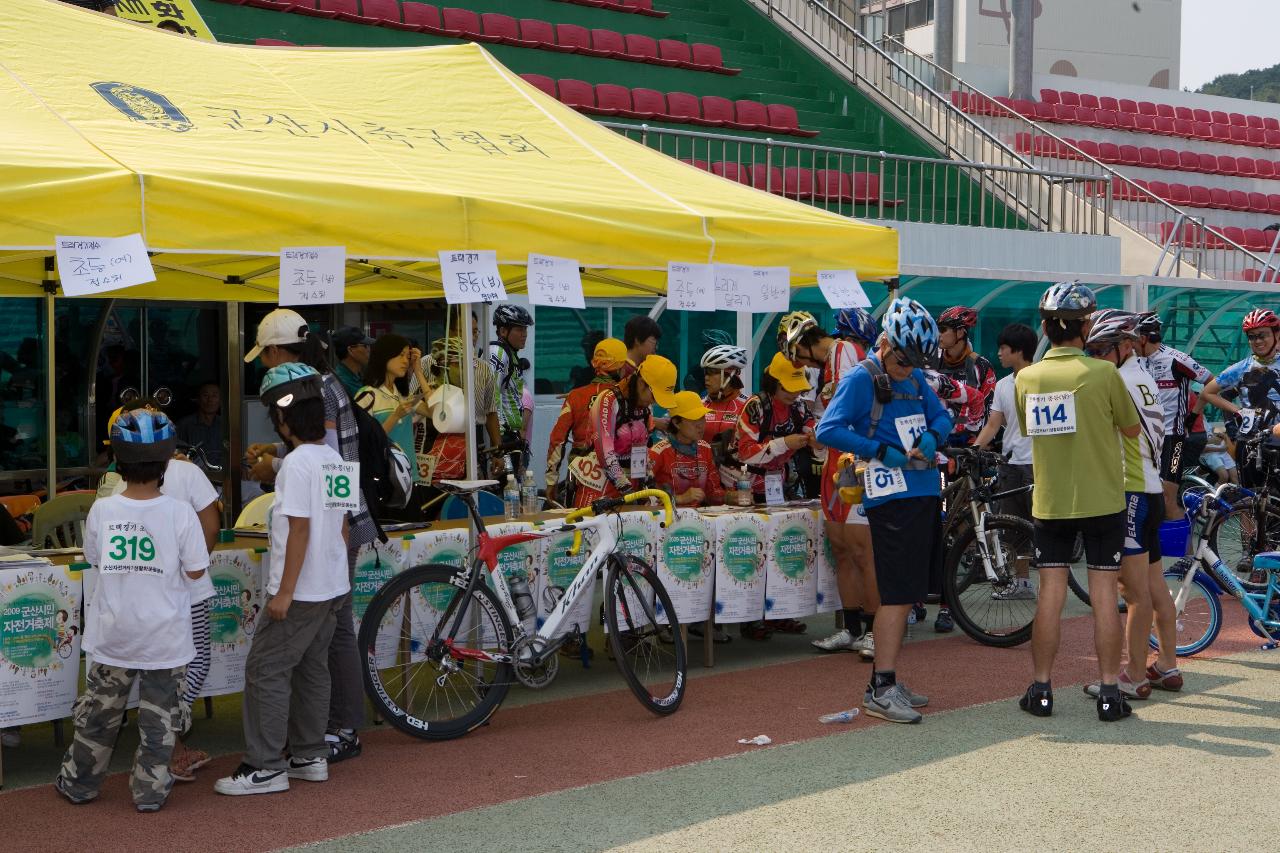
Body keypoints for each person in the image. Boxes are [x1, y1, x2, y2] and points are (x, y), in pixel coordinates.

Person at [241, 307, 377, 764]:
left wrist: (278, 464)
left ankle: (335, 731)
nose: (264, 364)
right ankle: (318, 742)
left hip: (322, 546)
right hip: (337, 537)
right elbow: (329, 460)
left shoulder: (313, 387)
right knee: (325, 646)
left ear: (279, 351)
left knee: (315, 646)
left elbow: (312, 481)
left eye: (266, 355)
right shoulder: (325, 384)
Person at [56, 410, 208, 812]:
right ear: (168, 461)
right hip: (165, 638)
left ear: (118, 462)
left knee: (99, 717)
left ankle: (79, 784)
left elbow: (94, 559)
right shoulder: (180, 513)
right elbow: (195, 570)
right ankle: (150, 792)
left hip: (113, 635)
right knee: (160, 721)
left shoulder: (103, 510)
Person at [816, 297, 952, 724]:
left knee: (910, 592)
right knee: (895, 595)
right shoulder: (861, 378)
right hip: (889, 497)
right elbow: (828, 428)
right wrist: (877, 449)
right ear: (887, 344)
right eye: (903, 361)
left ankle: (889, 677)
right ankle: (881, 686)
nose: (908, 371)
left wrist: (932, 436)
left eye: (915, 364)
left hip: (923, 491)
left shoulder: (913, 377)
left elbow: (942, 416)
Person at [215, 364, 349, 796]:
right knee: (313, 669)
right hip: (332, 586)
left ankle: (265, 765)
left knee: (266, 669)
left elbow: (300, 529)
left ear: (284, 421)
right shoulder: (335, 459)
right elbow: (343, 527)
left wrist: (285, 592)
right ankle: (310, 755)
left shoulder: (294, 466)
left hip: (302, 590)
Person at [1014, 282, 1142, 723]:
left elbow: (1032, 434)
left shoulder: (1025, 378)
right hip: (1104, 499)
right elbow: (1130, 430)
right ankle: (1110, 693)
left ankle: (1042, 689)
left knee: (1049, 596)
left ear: (1047, 329)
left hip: (1050, 502)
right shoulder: (1104, 374)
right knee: (1105, 596)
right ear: (1085, 327)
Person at [103, 405, 221, 781]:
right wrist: (189, 562)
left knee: (142, 671)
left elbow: (98, 551)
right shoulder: (187, 471)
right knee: (195, 662)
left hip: (133, 598)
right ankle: (167, 743)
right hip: (189, 590)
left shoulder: (109, 486)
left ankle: (164, 744)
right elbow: (211, 523)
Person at [1083, 310, 1180, 700]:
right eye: (1090, 349)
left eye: (1100, 349)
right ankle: (1168, 665)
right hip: (1149, 488)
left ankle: (1135, 674)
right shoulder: (1141, 375)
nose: (1094, 357)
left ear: (1125, 346)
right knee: (1155, 587)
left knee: (1133, 592)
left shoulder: (1117, 381)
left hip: (1131, 493)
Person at [784, 312, 879, 659]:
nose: (797, 362)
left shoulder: (842, 349)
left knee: (861, 551)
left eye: (795, 353)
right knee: (841, 548)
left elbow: (852, 404)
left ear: (803, 343)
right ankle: (852, 628)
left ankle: (873, 630)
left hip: (853, 460)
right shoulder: (829, 363)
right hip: (833, 461)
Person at [974, 323, 1039, 600]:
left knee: (1044, 528)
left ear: (1018, 350)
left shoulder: (1043, 379)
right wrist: (973, 450)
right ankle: (1022, 583)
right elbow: (993, 424)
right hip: (1010, 464)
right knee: (1014, 527)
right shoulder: (1003, 385)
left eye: (1003, 348)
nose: (998, 353)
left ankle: (1051, 586)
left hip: (1040, 465)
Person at [1133, 312, 1215, 519]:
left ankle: (1185, 551)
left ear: (1142, 338)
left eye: (1133, 339)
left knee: (1167, 499)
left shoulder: (1177, 359)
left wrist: (1195, 414)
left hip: (1173, 438)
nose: (1130, 344)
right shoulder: (1134, 361)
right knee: (1146, 498)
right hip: (1144, 438)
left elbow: (1212, 382)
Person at [572, 355, 680, 508]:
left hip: (629, 484)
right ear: (642, 383)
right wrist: (626, 488)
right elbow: (605, 452)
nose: (654, 402)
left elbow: (640, 451)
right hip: (597, 482)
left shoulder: (645, 407)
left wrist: (649, 484)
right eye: (655, 396)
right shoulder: (608, 400)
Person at [1200, 309, 1280, 491]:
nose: (1257, 341)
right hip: (1250, 444)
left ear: (1276, 334)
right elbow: (1208, 392)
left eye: (1263, 335)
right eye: (1252, 337)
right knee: (1249, 500)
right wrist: (1238, 411)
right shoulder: (1241, 368)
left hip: (1277, 440)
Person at [545, 337, 628, 506]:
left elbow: (557, 440)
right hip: (620, 478)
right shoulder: (626, 397)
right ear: (622, 366)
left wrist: (551, 481)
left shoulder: (575, 396)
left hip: (580, 477)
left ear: (594, 363)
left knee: (581, 528)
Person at [417, 336, 500, 485]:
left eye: (469, 366)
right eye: (461, 365)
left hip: (464, 464)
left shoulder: (462, 392)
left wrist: (497, 451)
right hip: (433, 468)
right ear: (445, 365)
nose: (467, 372)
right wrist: (418, 373)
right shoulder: (426, 393)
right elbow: (434, 409)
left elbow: (491, 413)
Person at [354, 333, 430, 490]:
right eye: (401, 355)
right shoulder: (368, 395)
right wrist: (395, 416)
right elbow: (364, 440)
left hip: (409, 476)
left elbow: (436, 413)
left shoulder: (403, 395)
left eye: (408, 356)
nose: (405, 361)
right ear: (385, 356)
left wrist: (419, 372)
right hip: (383, 478)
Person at [649, 391, 724, 508]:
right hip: (667, 522)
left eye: (702, 418)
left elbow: (714, 493)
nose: (701, 425)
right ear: (676, 422)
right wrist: (679, 499)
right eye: (694, 419)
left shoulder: (705, 449)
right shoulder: (658, 452)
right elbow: (642, 496)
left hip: (698, 522)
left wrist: (732, 496)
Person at [936, 306, 997, 447]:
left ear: (960, 332)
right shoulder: (932, 363)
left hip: (968, 446)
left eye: (943, 330)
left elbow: (989, 411)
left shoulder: (981, 366)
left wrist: (978, 446)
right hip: (936, 440)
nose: (938, 335)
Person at [488, 305, 534, 470]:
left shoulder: (511, 354)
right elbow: (492, 397)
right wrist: (497, 446)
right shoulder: (497, 352)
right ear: (502, 331)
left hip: (511, 437)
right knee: (506, 490)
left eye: (525, 329)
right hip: (501, 438)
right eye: (519, 329)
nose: (525, 334)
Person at [699, 344, 750, 488]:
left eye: (712, 372)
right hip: (704, 485)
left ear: (729, 375)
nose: (706, 378)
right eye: (705, 372)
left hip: (738, 486)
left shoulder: (748, 406)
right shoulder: (700, 405)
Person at [176, 382, 223, 468]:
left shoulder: (226, 425)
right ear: (198, 399)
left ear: (220, 401)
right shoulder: (184, 425)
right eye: (205, 395)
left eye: (214, 396)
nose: (210, 400)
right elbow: (177, 454)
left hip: (222, 475)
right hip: (193, 475)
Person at [330, 327, 373, 399]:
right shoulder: (343, 383)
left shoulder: (357, 375)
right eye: (365, 346)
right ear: (351, 350)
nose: (369, 349)